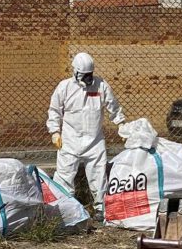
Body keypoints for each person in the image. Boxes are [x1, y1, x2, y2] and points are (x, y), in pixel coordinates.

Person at [46, 52, 125, 219]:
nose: (87, 78)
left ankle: (100, 209)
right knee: (65, 175)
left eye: (89, 75)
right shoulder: (64, 87)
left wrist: (121, 125)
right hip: (69, 140)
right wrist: (55, 132)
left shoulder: (101, 86)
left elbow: (114, 107)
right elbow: (54, 111)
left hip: (94, 141)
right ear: (75, 72)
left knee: (98, 176)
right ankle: (66, 210)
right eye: (84, 75)